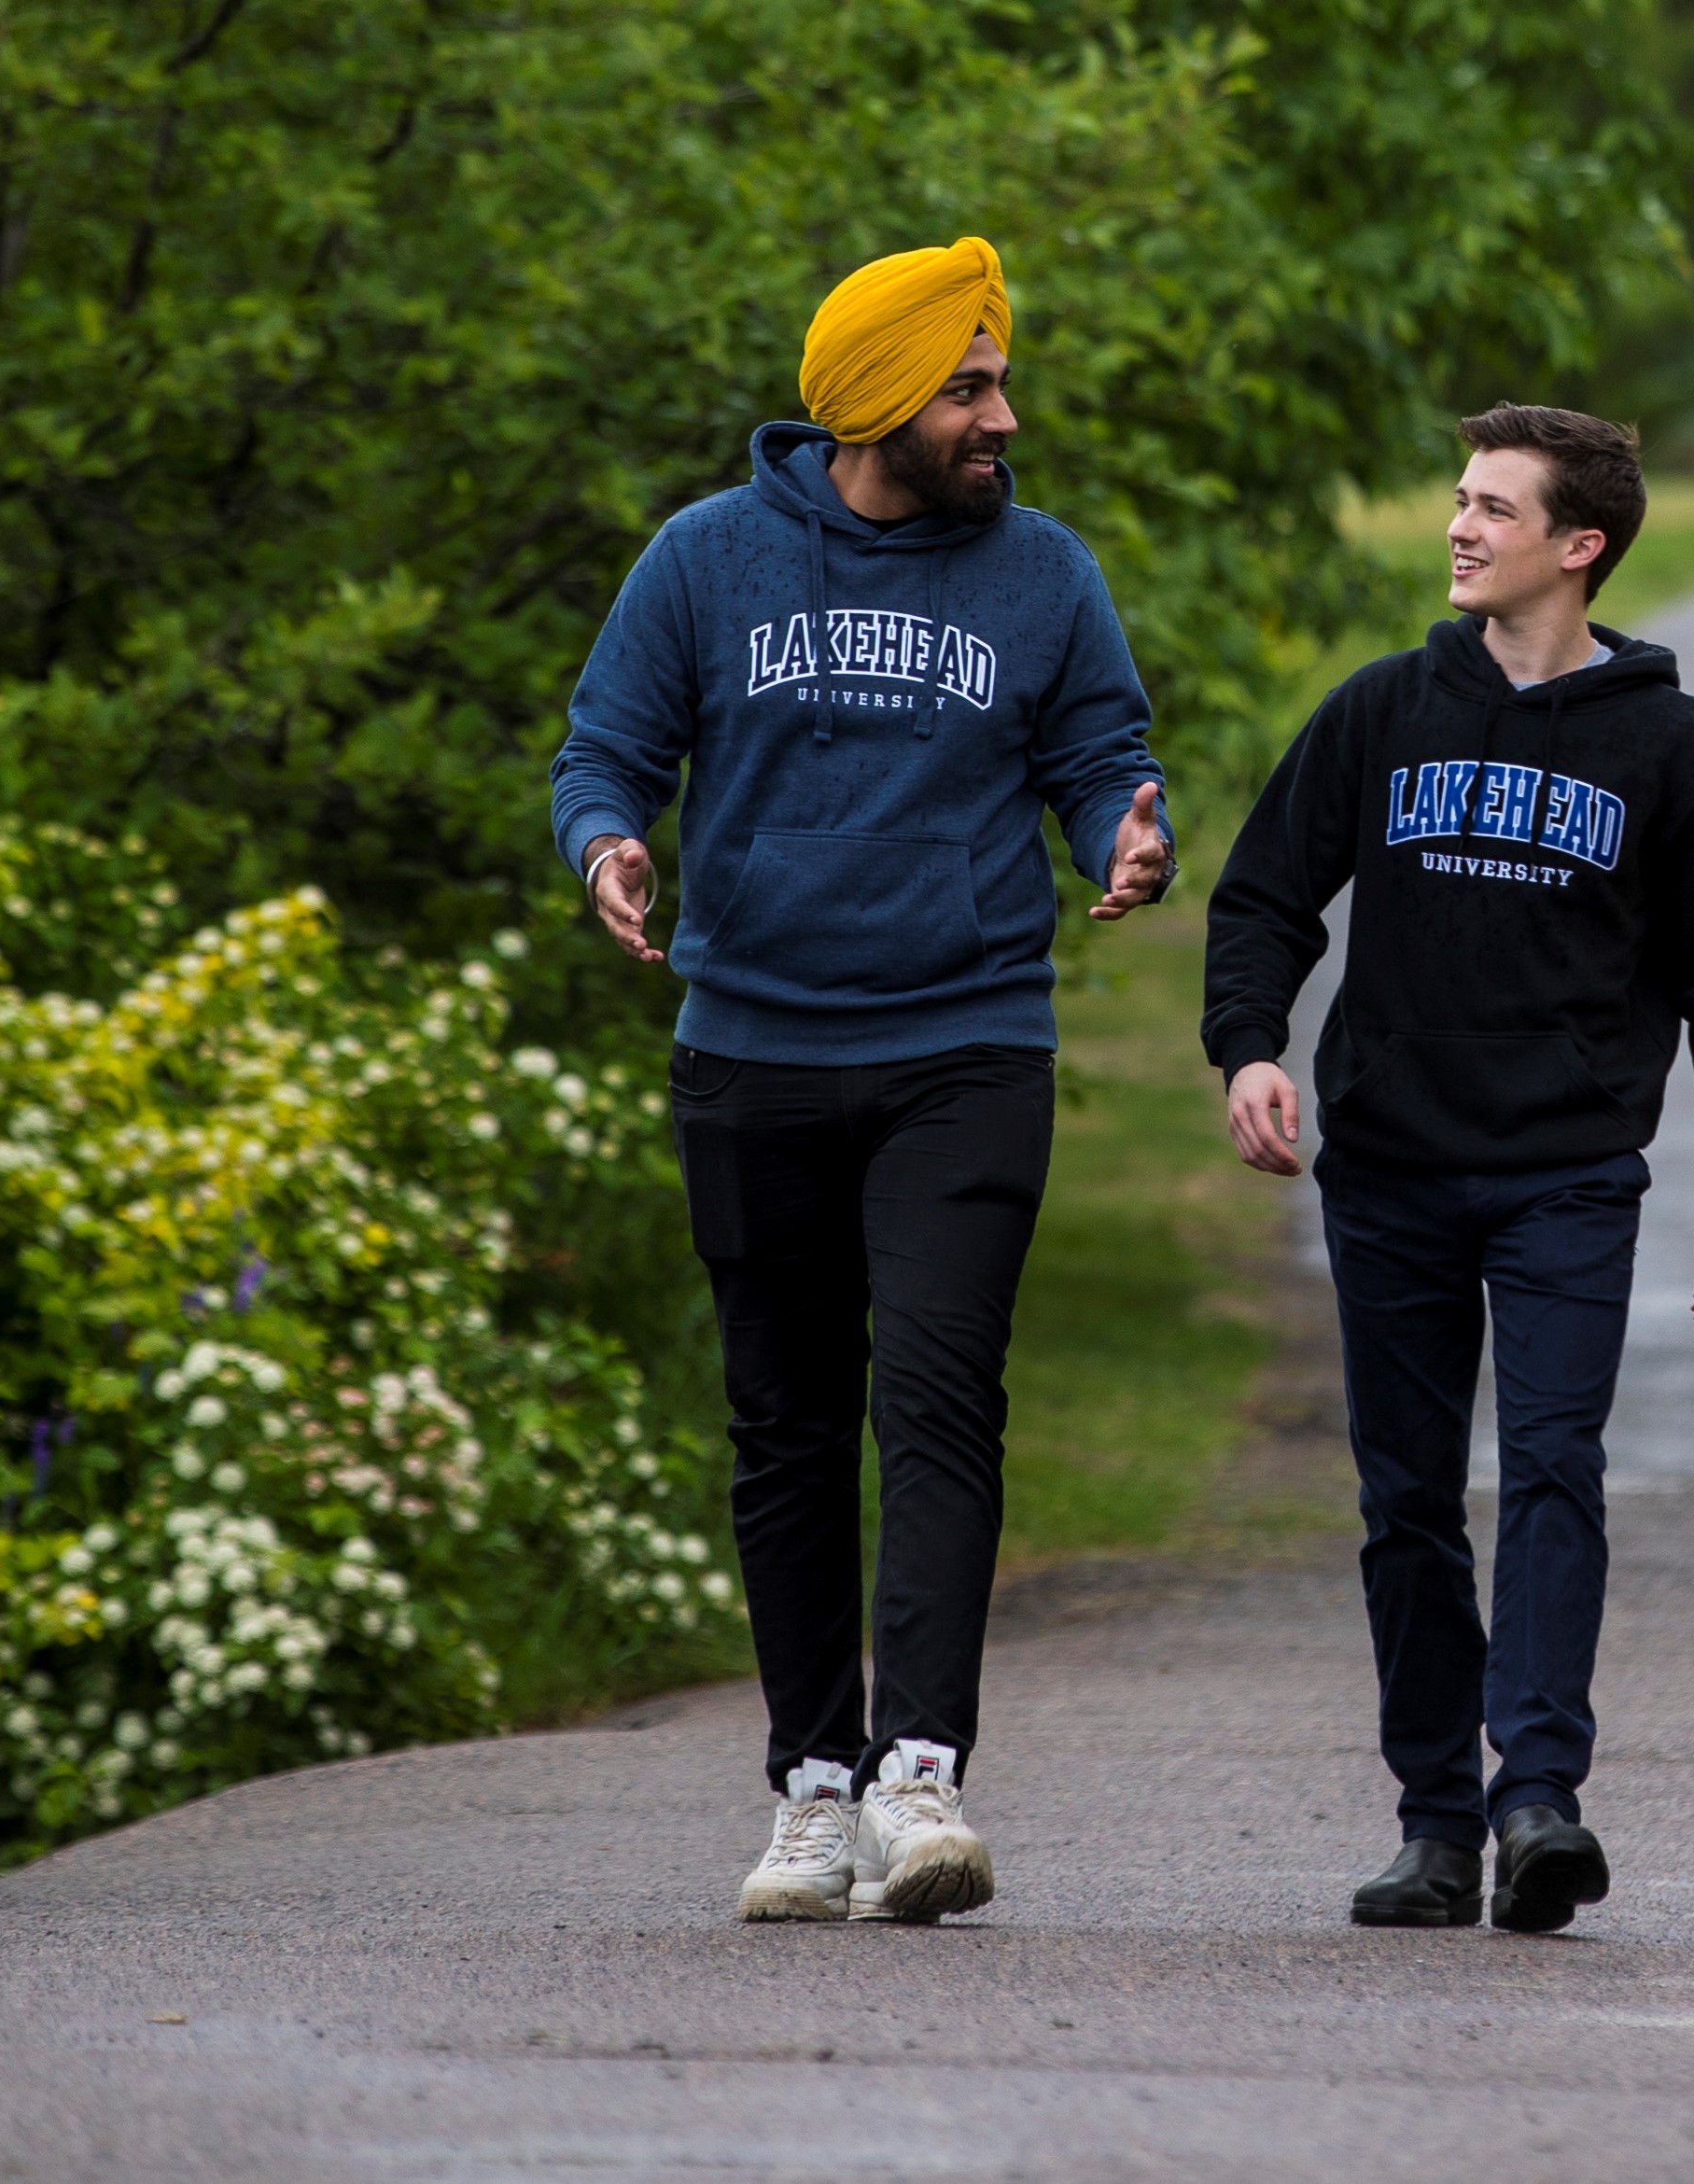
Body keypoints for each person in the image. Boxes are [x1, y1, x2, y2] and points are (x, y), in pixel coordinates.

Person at [549, 235, 1173, 1925]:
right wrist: (606, 841)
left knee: (941, 1398)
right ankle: (813, 1792)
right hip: (750, 1048)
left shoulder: (1042, 572)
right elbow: (608, 745)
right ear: (881, 400)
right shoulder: (705, 561)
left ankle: (922, 1777)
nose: (1004, 416)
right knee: (786, 1425)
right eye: (971, 387)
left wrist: (1129, 824)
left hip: (966, 1044)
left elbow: (1101, 748)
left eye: (998, 380)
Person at [1202, 403, 1694, 1934]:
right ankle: (1436, 1824)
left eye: (1493, 508)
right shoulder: (1382, 711)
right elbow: (1264, 895)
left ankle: (1539, 1795)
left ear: (1579, 546)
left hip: (1567, 1175)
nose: (1459, 528)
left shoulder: (1669, 743)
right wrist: (1249, 1048)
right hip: (1389, 1170)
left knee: (1550, 1471)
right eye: (1458, 502)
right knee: (1405, 1498)